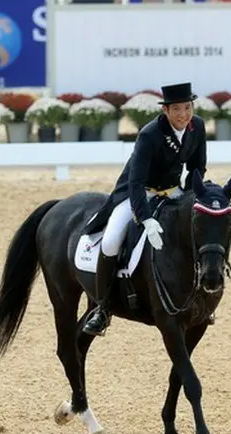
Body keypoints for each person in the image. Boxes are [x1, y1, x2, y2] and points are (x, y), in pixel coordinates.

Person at [81, 82, 208, 337]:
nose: (183, 114)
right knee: (110, 241)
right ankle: (103, 308)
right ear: (165, 111)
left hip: (173, 191)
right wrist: (146, 219)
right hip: (138, 192)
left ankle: (200, 299)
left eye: (187, 107)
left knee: (198, 230)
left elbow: (197, 169)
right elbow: (136, 183)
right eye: (177, 109)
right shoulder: (150, 134)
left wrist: (191, 197)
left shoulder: (198, 127)